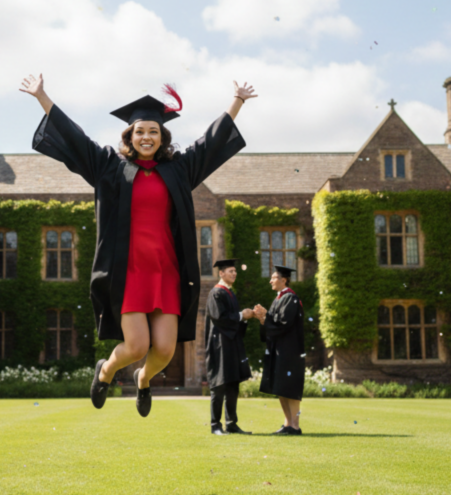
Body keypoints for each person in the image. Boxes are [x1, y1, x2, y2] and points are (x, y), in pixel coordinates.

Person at [21, 74, 256, 416]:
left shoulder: (179, 170)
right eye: (140, 131)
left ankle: (143, 379)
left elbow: (209, 143)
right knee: (136, 345)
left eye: (153, 131)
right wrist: (43, 97)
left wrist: (237, 101)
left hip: (166, 270)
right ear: (130, 136)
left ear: (162, 137)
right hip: (128, 271)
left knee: (165, 349)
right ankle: (105, 371)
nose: (147, 137)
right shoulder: (110, 168)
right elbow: (75, 138)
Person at [204, 259, 255, 435]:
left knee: (233, 383)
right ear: (221, 273)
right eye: (230, 271)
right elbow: (221, 318)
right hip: (219, 345)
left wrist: (246, 317)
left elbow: (236, 319)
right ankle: (215, 425)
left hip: (231, 344)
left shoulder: (230, 293)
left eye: (235, 271)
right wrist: (241, 316)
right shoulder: (216, 293)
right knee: (219, 384)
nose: (234, 273)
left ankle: (231, 424)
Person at [255, 265, 305, 435]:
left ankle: (295, 426)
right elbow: (273, 323)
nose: (270, 281)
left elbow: (284, 323)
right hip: (279, 350)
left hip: (290, 351)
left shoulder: (290, 298)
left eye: (274, 278)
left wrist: (266, 317)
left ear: (283, 280)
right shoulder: (279, 299)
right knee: (281, 387)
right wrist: (263, 318)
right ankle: (287, 424)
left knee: (290, 388)